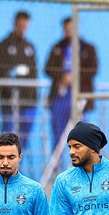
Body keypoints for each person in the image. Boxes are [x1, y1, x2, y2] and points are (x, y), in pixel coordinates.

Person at [44, 17, 99, 149]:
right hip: (60, 95)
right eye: (66, 29)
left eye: (71, 29)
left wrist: (75, 77)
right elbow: (48, 68)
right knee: (58, 134)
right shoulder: (57, 47)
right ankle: (58, 168)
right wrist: (62, 78)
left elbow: (93, 69)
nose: (69, 32)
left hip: (80, 95)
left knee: (81, 134)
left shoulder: (88, 48)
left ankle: (81, 167)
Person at [0, 10, 39, 138]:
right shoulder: (2, 46)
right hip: (10, 100)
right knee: (8, 135)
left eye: (25, 24)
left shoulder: (30, 46)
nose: (23, 27)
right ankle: (4, 157)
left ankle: (20, 157)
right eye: (21, 23)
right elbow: (2, 72)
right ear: (15, 23)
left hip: (29, 100)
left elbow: (34, 72)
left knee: (24, 137)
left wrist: (35, 95)